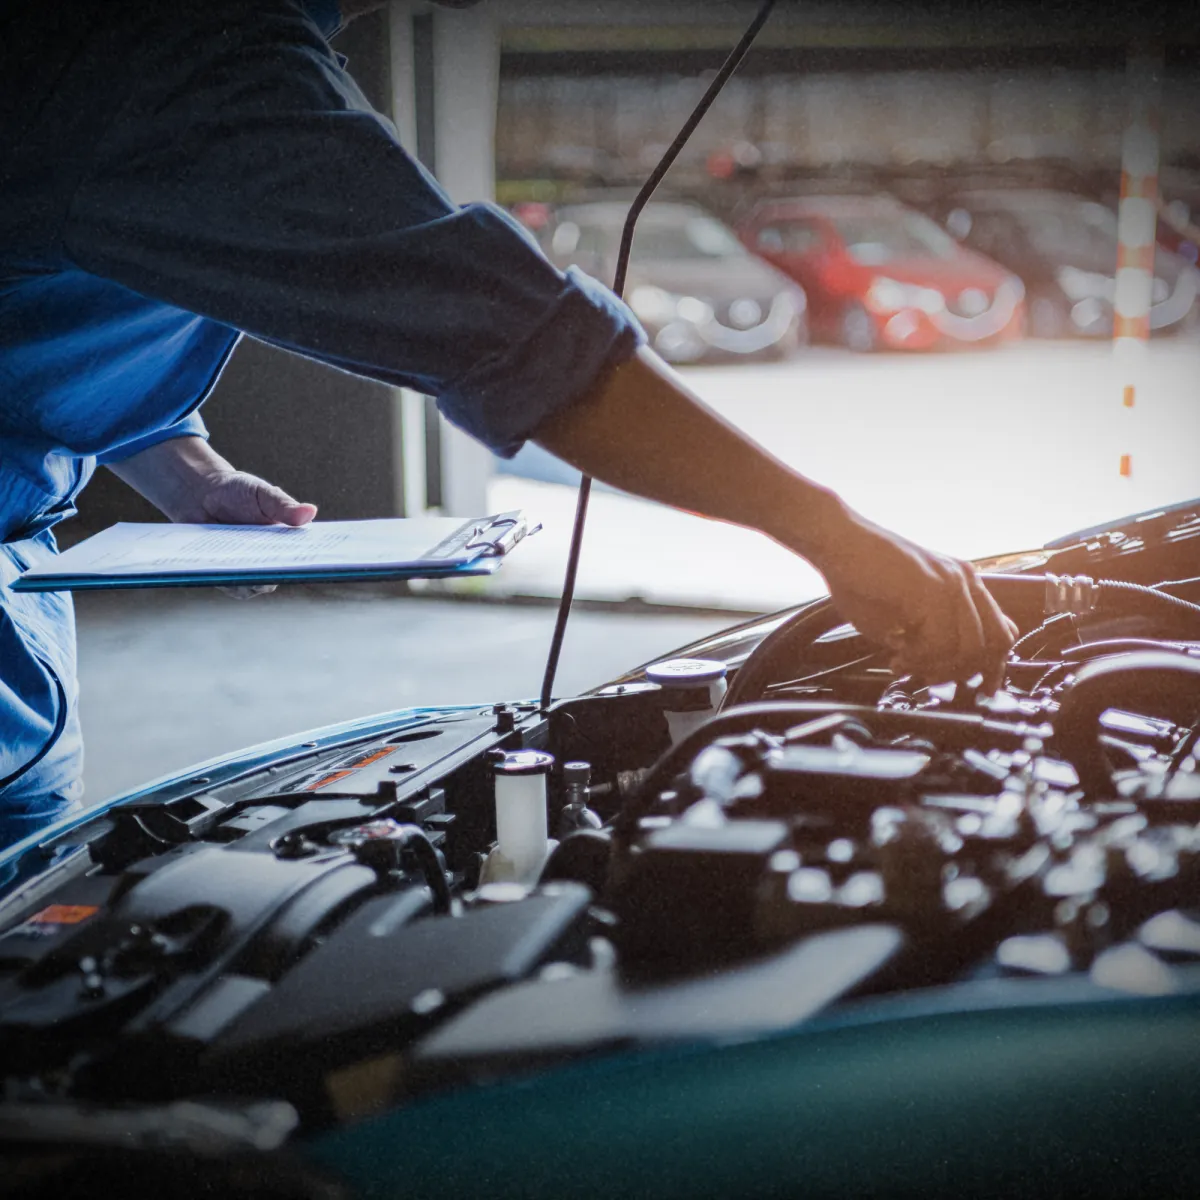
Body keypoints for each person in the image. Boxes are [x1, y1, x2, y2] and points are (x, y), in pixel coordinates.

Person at [0, 0, 1016, 851]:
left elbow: (45, 298)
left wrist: (181, 466)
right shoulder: (168, 44)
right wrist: (839, 539)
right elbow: (523, 343)